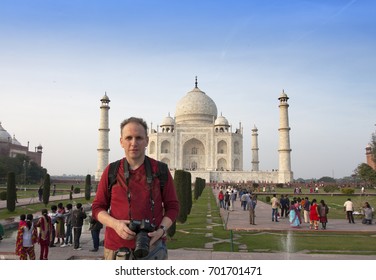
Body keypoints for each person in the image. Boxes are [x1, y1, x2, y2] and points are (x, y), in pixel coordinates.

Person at [92, 117, 179, 260]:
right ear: (121, 142)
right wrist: (115, 224)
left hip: (153, 247)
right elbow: (97, 208)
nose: (134, 143)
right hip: (116, 250)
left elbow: (173, 206)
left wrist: (161, 231)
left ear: (147, 141)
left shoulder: (160, 170)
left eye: (139, 138)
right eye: (128, 138)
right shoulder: (112, 171)